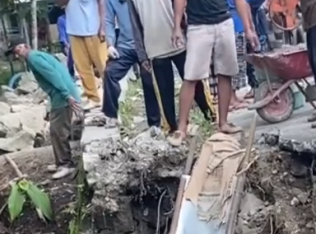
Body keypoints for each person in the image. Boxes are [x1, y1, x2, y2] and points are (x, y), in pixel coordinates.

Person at [171, 0, 259, 143]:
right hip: (198, 26)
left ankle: (223, 123)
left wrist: (248, 29)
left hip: (224, 22)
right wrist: (176, 27)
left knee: (226, 73)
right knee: (191, 77)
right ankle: (181, 129)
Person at [124, 0, 216, 131]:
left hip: (178, 40)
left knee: (195, 83)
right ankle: (173, 129)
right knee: (164, 94)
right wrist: (142, 55)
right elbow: (135, 23)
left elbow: (182, 7)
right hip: (154, 47)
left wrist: (189, 34)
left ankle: (211, 116)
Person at [10, 43, 84, 179]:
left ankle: (65, 165)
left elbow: (53, 75)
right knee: (56, 131)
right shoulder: (37, 56)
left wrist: (66, 95)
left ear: (25, 46)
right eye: (16, 53)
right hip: (61, 95)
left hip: (62, 97)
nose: (18, 54)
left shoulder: (34, 58)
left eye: (18, 49)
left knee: (58, 131)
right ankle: (61, 162)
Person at [103, 0, 162, 128]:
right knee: (110, 73)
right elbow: (108, 21)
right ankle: (111, 115)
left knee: (148, 78)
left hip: (146, 44)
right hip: (125, 46)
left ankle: (155, 123)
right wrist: (110, 44)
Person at [64, 0, 108, 108]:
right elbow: (60, 3)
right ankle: (93, 98)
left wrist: (103, 26)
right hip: (74, 30)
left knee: (103, 65)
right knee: (82, 68)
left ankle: (112, 95)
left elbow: (102, 2)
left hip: (94, 29)